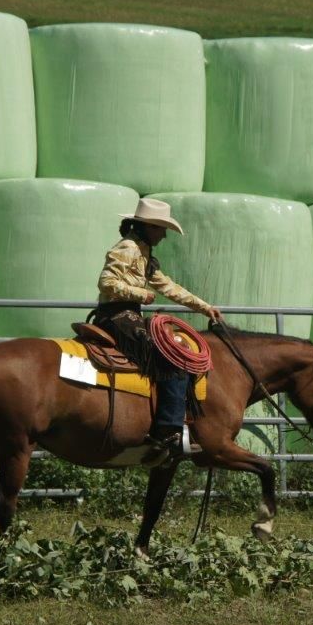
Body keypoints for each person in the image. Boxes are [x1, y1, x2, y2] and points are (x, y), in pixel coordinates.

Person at [91, 197, 224, 459]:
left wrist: (204, 307)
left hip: (127, 315)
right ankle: (168, 431)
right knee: (173, 358)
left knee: (173, 350)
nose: (164, 235)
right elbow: (105, 282)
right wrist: (140, 294)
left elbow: (168, 287)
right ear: (148, 227)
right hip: (116, 317)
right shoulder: (128, 248)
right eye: (161, 229)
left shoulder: (143, 252)